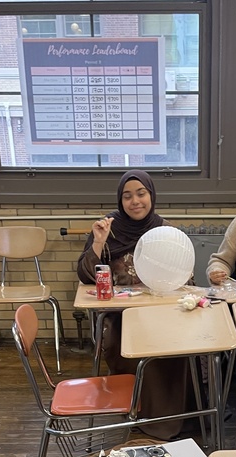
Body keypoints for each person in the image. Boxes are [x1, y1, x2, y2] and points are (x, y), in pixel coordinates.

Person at [77, 171, 189, 441]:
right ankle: (142, 415)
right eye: (127, 196)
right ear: (120, 200)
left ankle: (176, 415)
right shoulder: (108, 228)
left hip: (161, 311)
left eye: (141, 193)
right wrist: (99, 243)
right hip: (122, 316)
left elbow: (185, 275)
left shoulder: (165, 231)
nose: (135, 201)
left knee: (181, 345)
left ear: (151, 195)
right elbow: (85, 274)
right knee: (133, 348)